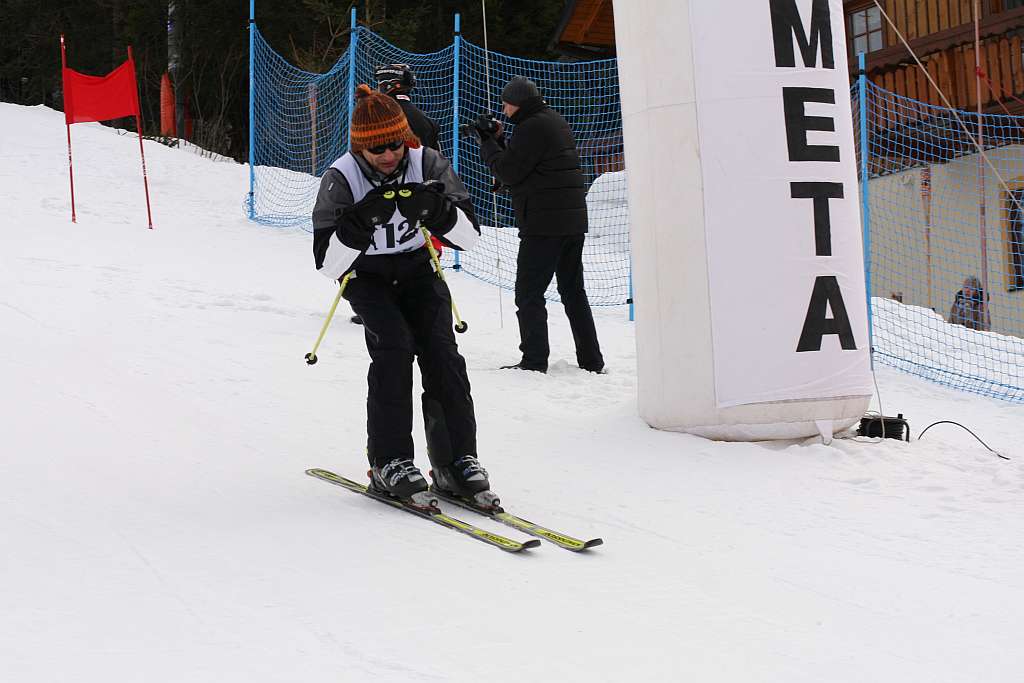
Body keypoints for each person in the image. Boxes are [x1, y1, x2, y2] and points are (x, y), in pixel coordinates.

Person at [311, 84, 490, 504]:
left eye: (395, 144)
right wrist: (357, 226)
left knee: (442, 352)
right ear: (359, 149)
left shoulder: (426, 162)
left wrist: (439, 211)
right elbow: (327, 264)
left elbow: (471, 237)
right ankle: (388, 461)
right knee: (394, 346)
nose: (389, 156)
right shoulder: (341, 178)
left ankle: (455, 460)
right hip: (367, 276)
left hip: (417, 268)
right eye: (377, 150)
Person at [475, 76, 604, 374]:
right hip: (570, 220)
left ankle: (533, 361)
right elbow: (531, 165)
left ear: (518, 103)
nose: (504, 112)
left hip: (545, 223)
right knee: (573, 292)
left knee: (529, 293)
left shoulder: (531, 127)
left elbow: (509, 171)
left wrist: (487, 144)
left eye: (506, 105)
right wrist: (500, 141)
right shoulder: (552, 120)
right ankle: (592, 360)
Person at [350, 64, 443, 327]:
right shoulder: (425, 119)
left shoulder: (381, 118)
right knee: (422, 249)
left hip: (385, 194)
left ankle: (377, 300)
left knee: (378, 246)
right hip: (422, 196)